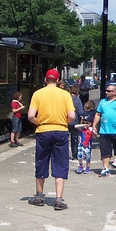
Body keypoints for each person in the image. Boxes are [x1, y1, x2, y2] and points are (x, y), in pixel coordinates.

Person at [27, 68, 75, 210]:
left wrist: (40, 122)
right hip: (61, 130)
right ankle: (59, 199)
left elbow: (30, 115)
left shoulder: (38, 94)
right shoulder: (65, 94)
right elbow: (72, 116)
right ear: (58, 80)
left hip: (43, 130)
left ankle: (39, 196)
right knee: (60, 163)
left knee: (41, 161)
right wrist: (63, 122)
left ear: (45, 79)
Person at [93, 83, 116, 177]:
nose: (106, 92)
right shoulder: (103, 102)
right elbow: (98, 114)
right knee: (105, 150)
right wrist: (94, 126)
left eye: (109, 91)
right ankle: (105, 168)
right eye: (106, 90)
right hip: (104, 130)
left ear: (114, 92)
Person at [74, 100, 96, 173]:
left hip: (88, 145)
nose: (86, 124)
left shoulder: (90, 129)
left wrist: (94, 132)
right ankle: (80, 166)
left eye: (88, 123)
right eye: (85, 122)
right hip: (81, 144)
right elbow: (75, 126)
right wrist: (83, 125)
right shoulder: (81, 128)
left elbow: (94, 137)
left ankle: (87, 167)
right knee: (80, 155)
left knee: (88, 156)